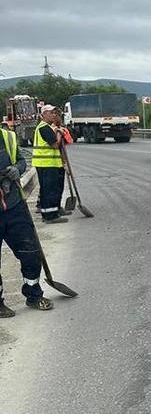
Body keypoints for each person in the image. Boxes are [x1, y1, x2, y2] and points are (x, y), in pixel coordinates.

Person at [0, 126, 53, 317]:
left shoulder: (7, 136)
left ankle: (33, 294)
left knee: (30, 251)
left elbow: (22, 161)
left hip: (14, 206)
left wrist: (17, 169)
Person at [32, 105, 68, 223]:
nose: (54, 115)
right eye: (51, 113)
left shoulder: (46, 127)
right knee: (49, 190)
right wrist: (59, 133)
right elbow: (55, 145)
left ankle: (53, 211)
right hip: (45, 164)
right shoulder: (44, 128)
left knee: (50, 189)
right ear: (45, 114)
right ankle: (49, 216)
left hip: (49, 164)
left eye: (54, 113)